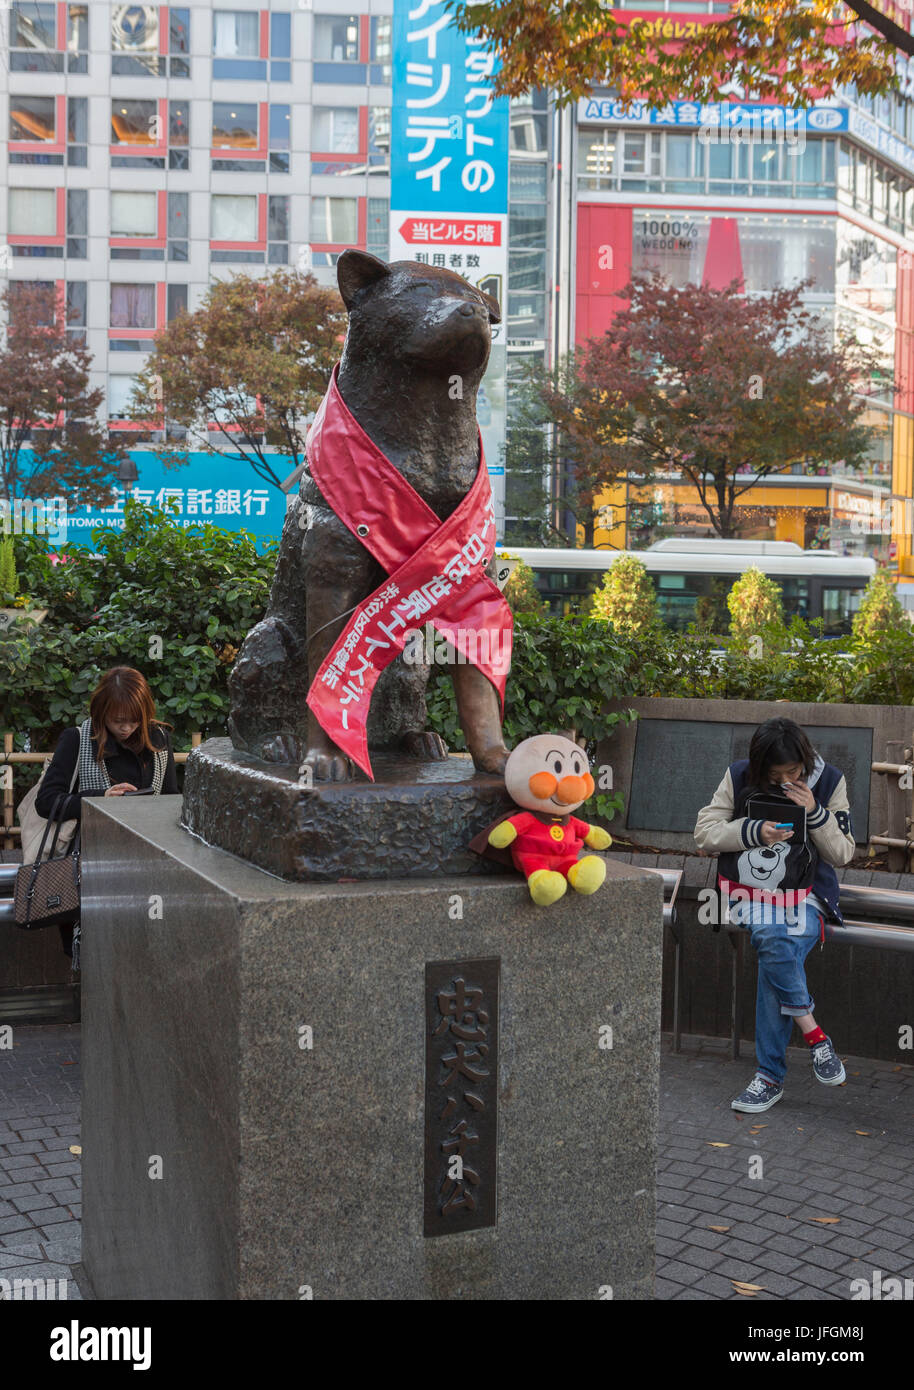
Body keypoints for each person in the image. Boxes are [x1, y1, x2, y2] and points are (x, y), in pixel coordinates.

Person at [693, 717, 856, 1113]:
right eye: (774, 773)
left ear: (806, 760)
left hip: (808, 896)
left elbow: (844, 853)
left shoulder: (831, 780)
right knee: (774, 939)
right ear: (759, 764)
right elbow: (704, 833)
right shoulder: (739, 775)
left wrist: (815, 812)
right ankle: (815, 1039)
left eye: (793, 772)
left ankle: (769, 1078)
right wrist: (751, 831)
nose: (784, 779)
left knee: (774, 950)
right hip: (749, 891)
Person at [36, 666, 179, 961]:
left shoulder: (159, 741)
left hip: (147, 869)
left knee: (143, 954)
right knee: (95, 957)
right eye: (117, 721)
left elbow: (171, 801)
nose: (126, 728)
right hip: (90, 871)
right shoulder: (77, 739)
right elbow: (46, 801)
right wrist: (100, 799)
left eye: (134, 720)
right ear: (102, 713)